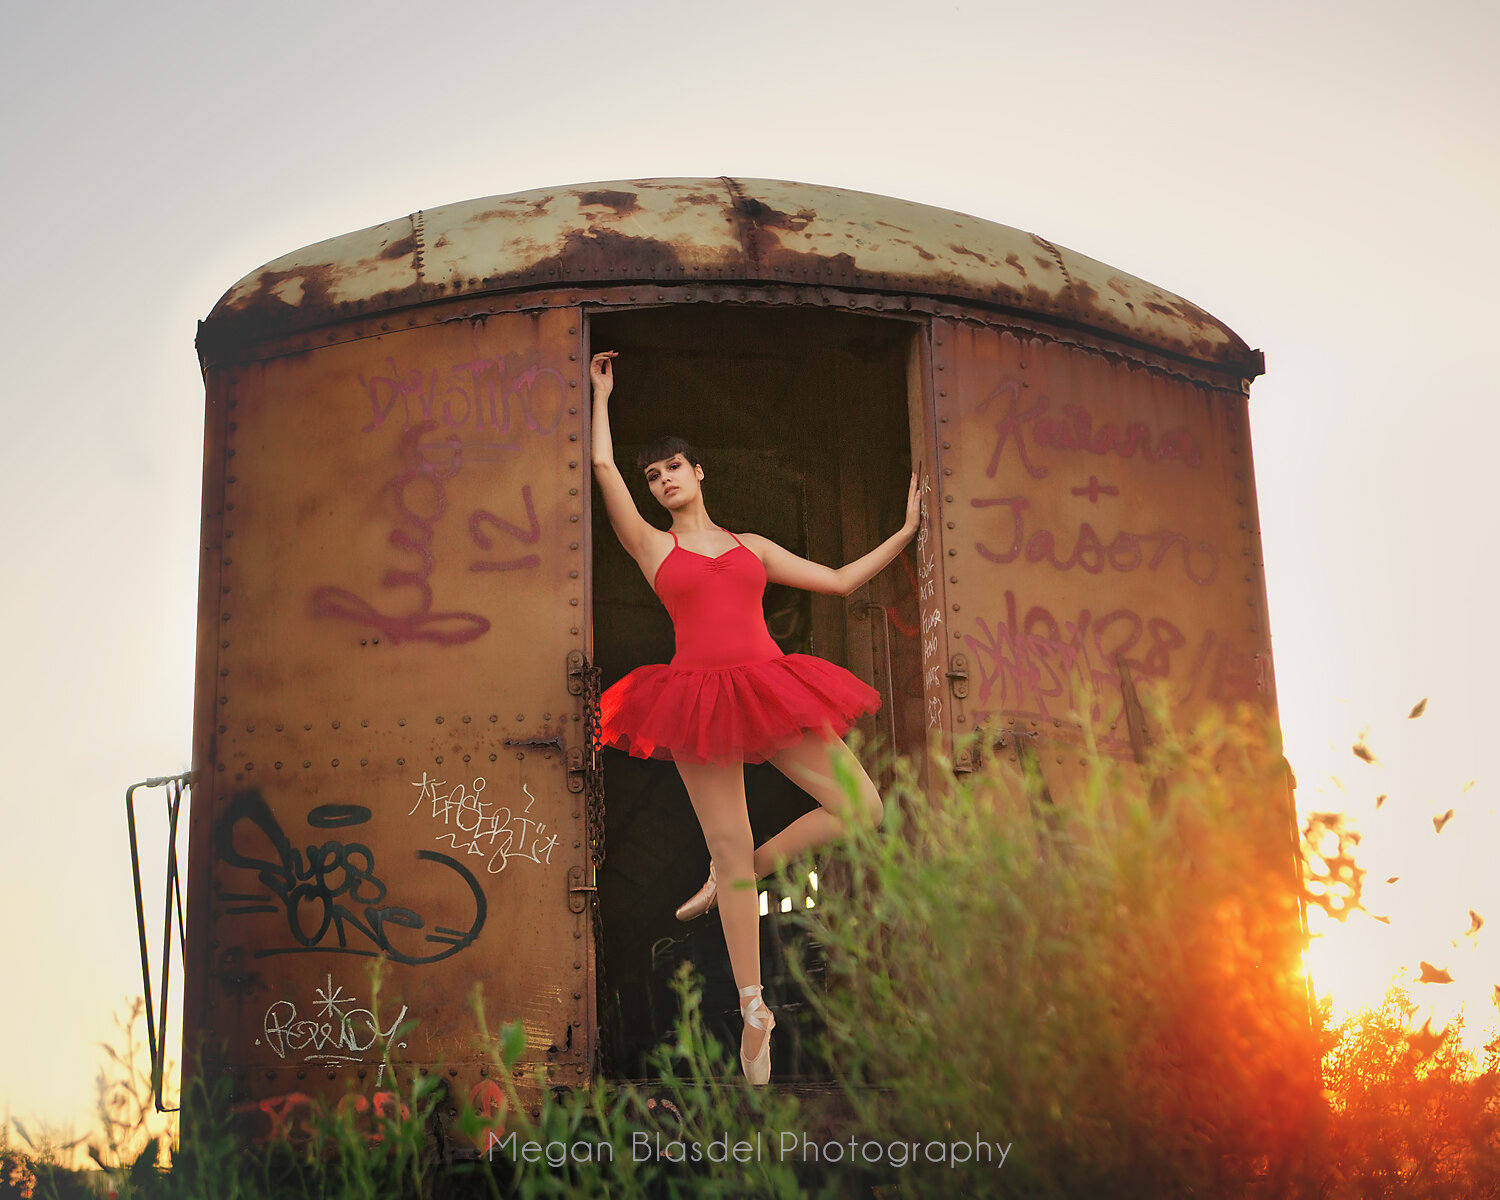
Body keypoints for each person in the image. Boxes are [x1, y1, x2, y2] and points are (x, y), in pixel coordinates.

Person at [589, 350, 920, 1085]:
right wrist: (600, 396)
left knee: (860, 805)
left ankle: (738, 871)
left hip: (772, 688)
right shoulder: (652, 547)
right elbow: (604, 474)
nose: (664, 479)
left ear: (699, 472)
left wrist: (904, 532)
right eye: (655, 475)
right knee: (729, 842)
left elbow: (835, 582)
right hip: (697, 699)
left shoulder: (752, 548)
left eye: (674, 467)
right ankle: (753, 1010)